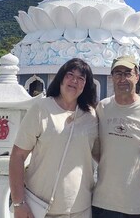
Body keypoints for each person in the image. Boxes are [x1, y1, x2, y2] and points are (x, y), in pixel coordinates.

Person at [9, 58, 98, 218]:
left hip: (81, 208)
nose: (74, 81)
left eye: (81, 78)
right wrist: (18, 203)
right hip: (40, 207)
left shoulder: (91, 116)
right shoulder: (41, 109)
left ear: (86, 85)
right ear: (61, 78)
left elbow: (103, 154)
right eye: (70, 75)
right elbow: (18, 156)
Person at [92, 55, 140, 218]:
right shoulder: (103, 108)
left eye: (127, 73)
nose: (122, 79)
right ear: (112, 78)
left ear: (137, 76)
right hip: (104, 204)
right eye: (118, 74)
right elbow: (96, 150)